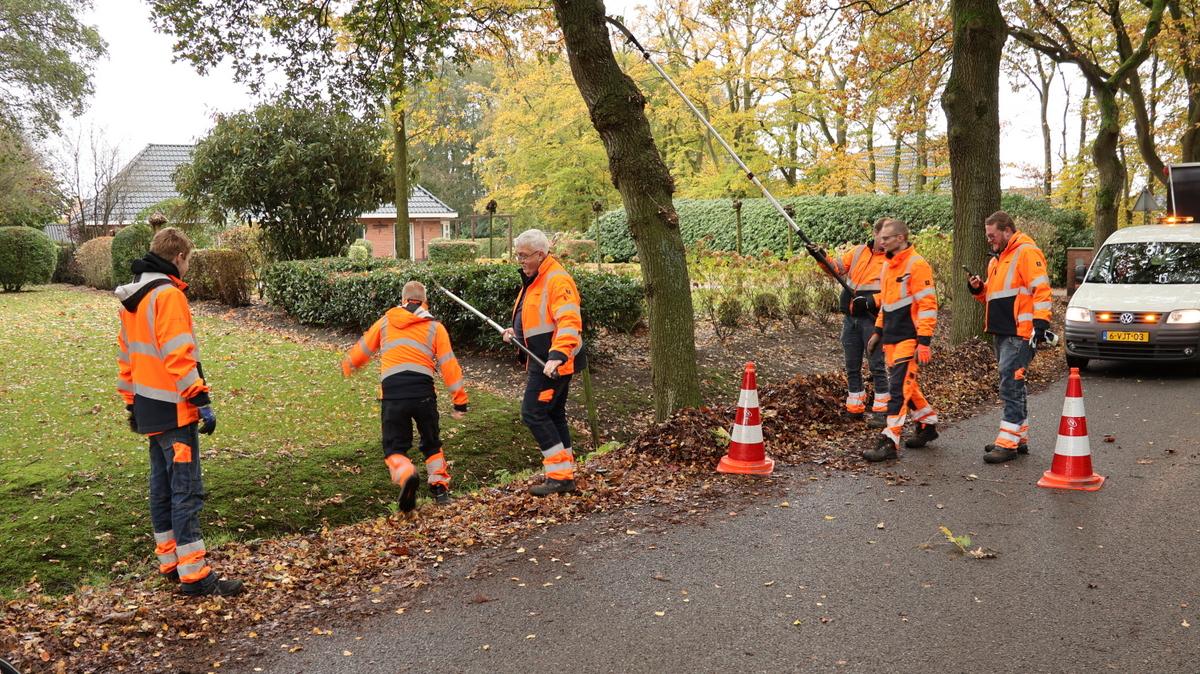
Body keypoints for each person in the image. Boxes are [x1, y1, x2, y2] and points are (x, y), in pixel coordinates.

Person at [116, 227, 243, 597]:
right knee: (186, 491)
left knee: (161, 489)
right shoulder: (167, 295)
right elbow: (178, 353)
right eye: (187, 260)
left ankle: (170, 561)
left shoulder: (133, 299)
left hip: (148, 408)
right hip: (175, 408)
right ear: (179, 257)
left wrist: (130, 401)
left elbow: (127, 357)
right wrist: (200, 399)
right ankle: (195, 574)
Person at [341, 281, 468, 510]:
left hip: (393, 394)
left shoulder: (386, 322)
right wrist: (460, 401)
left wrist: (349, 365)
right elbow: (449, 365)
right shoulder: (434, 327)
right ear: (425, 301)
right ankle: (440, 490)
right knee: (431, 442)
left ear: (403, 300)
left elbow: (364, 349)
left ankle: (407, 473)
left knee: (394, 447)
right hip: (423, 393)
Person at [501, 229, 585, 496]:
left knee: (533, 413)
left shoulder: (556, 280)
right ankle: (565, 473)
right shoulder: (536, 279)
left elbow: (569, 321)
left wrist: (557, 356)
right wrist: (517, 333)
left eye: (524, 256)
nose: (520, 261)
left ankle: (559, 477)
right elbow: (537, 318)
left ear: (540, 254)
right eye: (517, 256)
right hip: (544, 361)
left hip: (551, 364)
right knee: (554, 415)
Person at [967, 210, 1053, 464]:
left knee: (1009, 384)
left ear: (1007, 231)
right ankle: (1018, 437)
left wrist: (1041, 323)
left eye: (992, 235)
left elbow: (1041, 289)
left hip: (1020, 333)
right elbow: (993, 299)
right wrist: (978, 289)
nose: (989, 240)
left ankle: (1008, 444)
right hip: (1003, 332)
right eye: (987, 236)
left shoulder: (1026, 252)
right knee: (1014, 384)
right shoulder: (997, 261)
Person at [864, 218, 940, 462]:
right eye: (880, 238)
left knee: (898, 389)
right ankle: (927, 424)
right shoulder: (888, 266)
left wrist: (924, 341)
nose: (881, 241)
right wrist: (878, 331)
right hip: (892, 338)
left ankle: (890, 440)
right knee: (907, 385)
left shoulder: (917, 265)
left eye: (886, 238)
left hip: (910, 337)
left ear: (900, 238)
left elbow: (928, 305)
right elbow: (887, 304)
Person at [806, 218, 890, 427]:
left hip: (874, 319)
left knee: (877, 365)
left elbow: (896, 293)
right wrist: (821, 257)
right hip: (851, 318)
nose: (886, 241)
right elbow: (836, 268)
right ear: (875, 233)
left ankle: (883, 410)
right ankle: (855, 406)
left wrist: (871, 301)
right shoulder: (859, 251)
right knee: (852, 365)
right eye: (883, 237)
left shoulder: (892, 260)